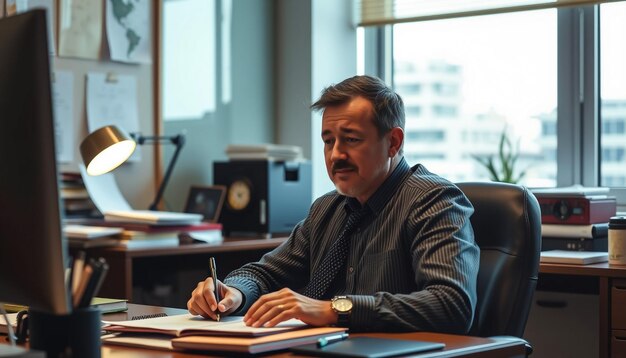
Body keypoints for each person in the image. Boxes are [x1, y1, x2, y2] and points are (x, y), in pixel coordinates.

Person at [188, 75, 479, 333]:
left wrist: (334, 309)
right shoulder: (328, 208)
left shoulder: (433, 201)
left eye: (351, 139)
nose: (336, 155)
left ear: (393, 142)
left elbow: (451, 304)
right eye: (328, 141)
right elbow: (264, 273)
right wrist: (233, 292)